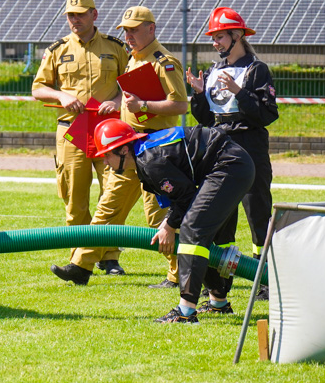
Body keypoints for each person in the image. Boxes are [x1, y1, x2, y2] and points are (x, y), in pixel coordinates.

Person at [92, 119, 255, 323]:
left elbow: (185, 198)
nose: (105, 162)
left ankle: (185, 312)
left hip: (229, 167)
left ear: (124, 150)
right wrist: (168, 222)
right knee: (200, 234)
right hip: (230, 165)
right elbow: (180, 196)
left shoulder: (150, 160)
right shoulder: (146, 154)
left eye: (107, 154)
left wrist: (169, 225)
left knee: (192, 230)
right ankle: (218, 303)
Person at [71, 6, 188, 288]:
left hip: (156, 150)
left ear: (152, 28)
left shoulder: (164, 62)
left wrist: (144, 106)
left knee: (159, 215)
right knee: (107, 208)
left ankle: (177, 274)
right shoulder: (134, 59)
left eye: (134, 29)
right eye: (126, 30)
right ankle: (80, 266)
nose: (129, 35)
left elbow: (181, 104)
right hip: (128, 147)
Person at [31, 0, 129, 284]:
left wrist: (118, 99)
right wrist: (61, 95)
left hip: (108, 130)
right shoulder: (57, 49)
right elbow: (38, 88)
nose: (75, 20)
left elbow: (132, 83)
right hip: (72, 130)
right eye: (71, 15)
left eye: (81, 14)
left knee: (112, 193)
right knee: (74, 197)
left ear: (94, 15)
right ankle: (78, 258)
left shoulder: (116, 47)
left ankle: (110, 257)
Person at [187, 7, 278, 301]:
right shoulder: (214, 70)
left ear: (236, 35)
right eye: (213, 37)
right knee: (219, 215)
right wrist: (199, 94)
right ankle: (218, 281)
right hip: (219, 145)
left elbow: (267, 114)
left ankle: (266, 280)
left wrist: (240, 92)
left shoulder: (257, 69)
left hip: (250, 145)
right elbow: (204, 118)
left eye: (219, 36)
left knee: (258, 213)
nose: (215, 42)